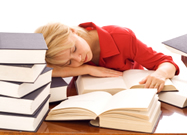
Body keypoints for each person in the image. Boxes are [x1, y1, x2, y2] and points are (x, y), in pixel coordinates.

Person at [35, 22, 179, 92]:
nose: (78, 59)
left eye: (74, 49)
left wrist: (160, 74)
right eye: (69, 62)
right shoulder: (72, 58)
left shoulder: (121, 37)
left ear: (74, 32)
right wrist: (87, 69)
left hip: (133, 95)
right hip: (90, 102)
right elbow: (40, 69)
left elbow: (167, 62)